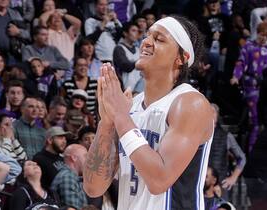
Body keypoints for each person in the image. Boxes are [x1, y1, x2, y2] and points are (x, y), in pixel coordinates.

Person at [83, 16, 215, 209]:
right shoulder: (131, 107)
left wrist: (120, 116)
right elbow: (93, 187)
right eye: (147, 36)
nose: (146, 42)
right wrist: (107, 123)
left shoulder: (190, 103)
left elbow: (159, 181)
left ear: (182, 58)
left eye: (159, 39)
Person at [230, 22, 267, 152]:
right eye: (261, 34)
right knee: (254, 120)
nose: (264, 38)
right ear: (257, 33)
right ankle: (251, 150)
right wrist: (236, 77)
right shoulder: (248, 47)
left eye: (266, 36)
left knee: (261, 119)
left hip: (264, 89)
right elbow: (240, 63)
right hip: (250, 88)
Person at [51, 144, 88, 209]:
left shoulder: (71, 177)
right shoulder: (68, 177)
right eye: (85, 156)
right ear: (74, 158)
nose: (88, 161)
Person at [113, 22, 143, 93]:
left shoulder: (138, 49)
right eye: (133, 30)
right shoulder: (119, 48)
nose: (137, 33)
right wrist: (141, 62)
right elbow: (126, 66)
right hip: (125, 90)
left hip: (139, 89)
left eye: (138, 31)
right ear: (125, 33)